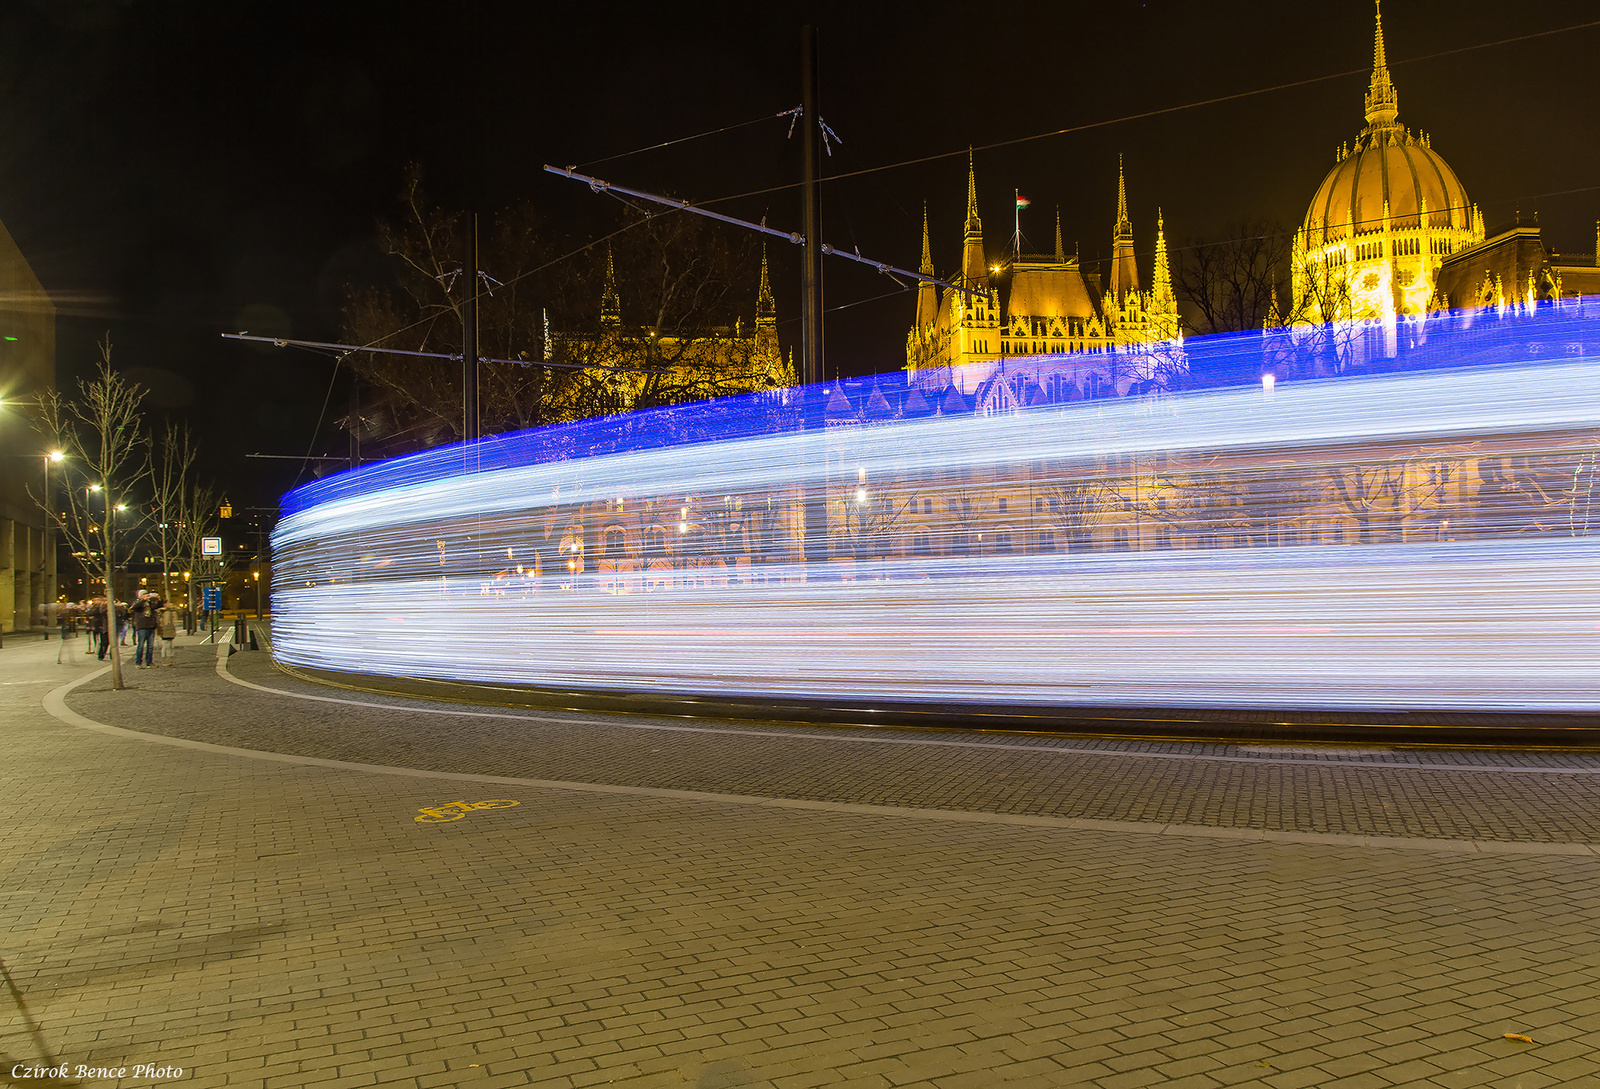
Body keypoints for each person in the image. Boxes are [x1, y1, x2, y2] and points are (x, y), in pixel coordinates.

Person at [131, 592, 159, 668]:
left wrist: (157, 598)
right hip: (142, 626)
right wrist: (143, 600)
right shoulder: (137, 602)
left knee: (150, 646)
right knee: (140, 646)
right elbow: (134, 607)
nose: (147, 596)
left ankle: (149, 662)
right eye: (145, 594)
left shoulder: (150, 603)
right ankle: (138, 663)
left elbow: (157, 606)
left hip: (151, 626)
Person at [156, 598, 179, 666]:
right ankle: (165, 660)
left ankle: (169, 660)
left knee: (169, 645)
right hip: (164, 629)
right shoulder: (161, 611)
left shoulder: (169, 610)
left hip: (168, 629)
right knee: (166, 646)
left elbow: (177, 613)